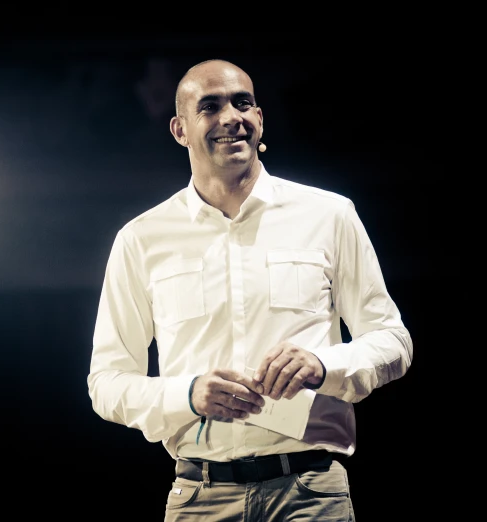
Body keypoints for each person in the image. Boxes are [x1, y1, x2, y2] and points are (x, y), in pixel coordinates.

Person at [87, 58, 413, 521]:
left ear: (259, 119)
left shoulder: (329, 215)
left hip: (311, 491)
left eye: (243, 103)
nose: (230, 117)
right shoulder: (141, 239)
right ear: (180, 130)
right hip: (200, 495)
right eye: (210, 106)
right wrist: (188, 393)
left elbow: (394, 342)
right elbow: (106, 383)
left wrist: (324, 364)